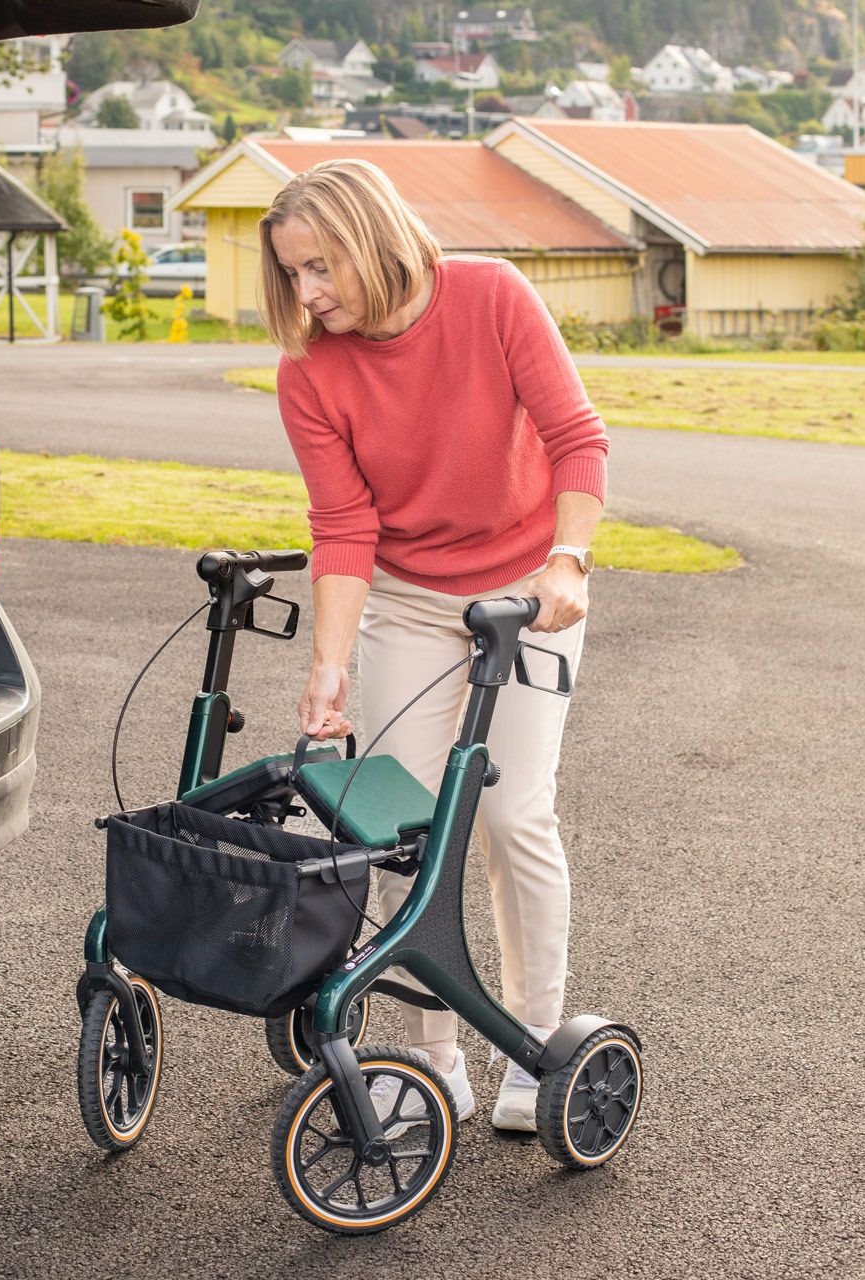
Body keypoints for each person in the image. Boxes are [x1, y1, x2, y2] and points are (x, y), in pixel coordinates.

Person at [258, 158, 608, 1134]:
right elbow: (341, 527)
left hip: (521, 600)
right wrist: (325, 665)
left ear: (371, 239)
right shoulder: (310, 373)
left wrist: (568, 560)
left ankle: (536, 1050)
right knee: (395, 827)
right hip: (408, 605)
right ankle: (428, 1060)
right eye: (291, 275)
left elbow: (575, 438)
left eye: (319, 267)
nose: (307, 294)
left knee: (509, 815)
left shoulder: (492, 296)